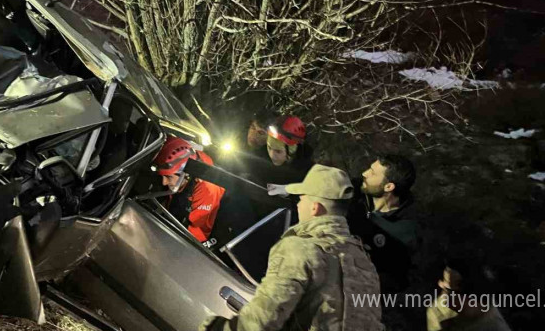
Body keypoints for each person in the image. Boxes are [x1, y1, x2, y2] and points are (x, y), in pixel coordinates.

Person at [200, 165, 383, 331]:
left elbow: (262, 320)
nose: (297, 204)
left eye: (301, 198)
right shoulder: (363, 260)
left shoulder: (301, 248)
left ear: (315, 208)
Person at [348, 154, 420, 294]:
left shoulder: (407, 231)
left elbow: (398, 280)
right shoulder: (353, 192)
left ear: (388, 186)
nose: (365, 173)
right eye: (370, 168)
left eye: (372, 172)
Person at [154, 136, 225, 244]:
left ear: (185, 174)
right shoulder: (184, 159)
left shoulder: (207, 188)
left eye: (168, 177)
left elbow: (197, 235)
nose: (164, 182)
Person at [426, 254, 512, 331]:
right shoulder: (439, 309)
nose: (445, 301)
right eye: (443, 289)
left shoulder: (495, 327)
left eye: (449, 291)